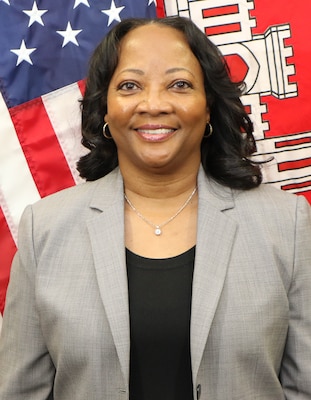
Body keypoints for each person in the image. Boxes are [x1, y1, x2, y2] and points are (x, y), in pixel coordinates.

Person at [0, 16, 310, 400]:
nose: (154, 104)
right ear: (106, 109)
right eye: (130, 85)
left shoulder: (288, 224)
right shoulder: (43, 230)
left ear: (209, 105)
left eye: (179, 84)